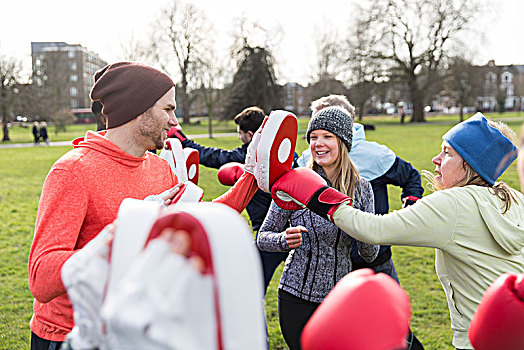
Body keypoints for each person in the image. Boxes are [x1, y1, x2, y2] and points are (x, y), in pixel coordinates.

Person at [28, 62, 259, 350]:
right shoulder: (73, 171)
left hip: (133, 331)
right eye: (168, 109)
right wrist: (125, 232)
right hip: (68, 337)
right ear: (138, 109)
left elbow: (198, 225)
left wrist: (253, 175)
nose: (175, 122)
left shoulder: (160, 168)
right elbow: (41, 278)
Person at [272, 112, 524, 350]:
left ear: (470, 165)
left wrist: (317, 196)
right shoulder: (513, 198)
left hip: (478, 340)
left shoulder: (453, 203)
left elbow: (373, 230)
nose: (436, 159)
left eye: (446, 153)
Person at [257, 106, 379, 350]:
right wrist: (283, 240)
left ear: (343, 142)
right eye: (313, 137)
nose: (318, 144)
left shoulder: (363, 189)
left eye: (327, 137)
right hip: (295, 297)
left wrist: (361, 230)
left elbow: (370, 254)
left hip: (339, 300)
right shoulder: (293, 182)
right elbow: (263, 237)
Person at [298, 94, 424, 285]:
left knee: (388, 313)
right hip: (328, 263)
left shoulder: (376, 155)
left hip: (376, 259)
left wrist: (409, 208)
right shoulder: (309, 158)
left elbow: (411, 177)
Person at [168, 106, 297, 291]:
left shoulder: (249, 157)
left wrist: (182, 140)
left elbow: (212, 156)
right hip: (289, 231)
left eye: (240, 133)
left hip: (270, 232)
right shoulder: (287, 154)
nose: (238, 137)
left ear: (251, 135)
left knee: (250, 287)